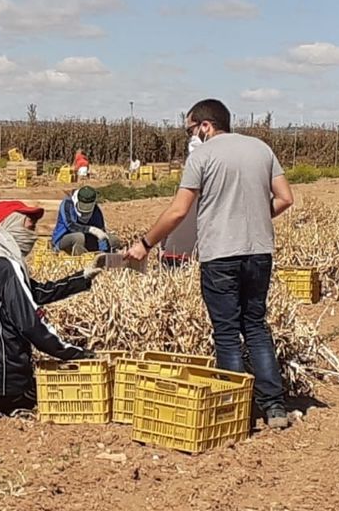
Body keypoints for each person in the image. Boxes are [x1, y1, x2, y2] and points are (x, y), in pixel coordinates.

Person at [123, 99, 295, 429]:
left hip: (220, 255)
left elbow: (178, 211)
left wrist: (145, 244)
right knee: (256, 327)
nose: (191, 136)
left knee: (227, 333)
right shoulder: (261, 149)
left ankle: (234, 409)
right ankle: (274, 407)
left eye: (190, 129)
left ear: (205, 125)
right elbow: (286, 198)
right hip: (259, 253)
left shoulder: (201, 157)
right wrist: (255, 217)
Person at [0, 201, 103, 424]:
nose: (33, 233)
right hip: (4, 377)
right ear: (11, 224)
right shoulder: (7, 268)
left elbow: (36, 292)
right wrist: (75, 353)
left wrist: (82, 277)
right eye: (29, 225)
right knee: (33, 396)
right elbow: (31, 323)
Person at [161, 132, 204, 267]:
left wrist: (153, 244)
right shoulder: (210, 195)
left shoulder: (184, 194)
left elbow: (173, 216)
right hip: (193, 258)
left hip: (173, 255)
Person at [51, 185, 109, 254]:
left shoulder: (96, 210)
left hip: (87, 241)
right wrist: (91, 229)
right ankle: (78, 258)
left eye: (88, 206)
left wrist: (104, 249)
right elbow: (71, 226)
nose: (85, 209)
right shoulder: (68, 204)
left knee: (112, 240)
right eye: (83, 205)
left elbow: (101, 230)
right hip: (64, 239)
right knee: (79, 237)